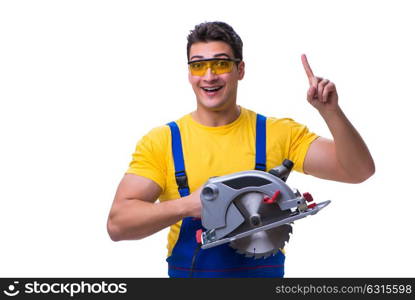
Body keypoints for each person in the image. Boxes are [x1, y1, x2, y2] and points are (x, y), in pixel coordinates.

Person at [106, 21, 375, 278]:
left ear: (240, 69)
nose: (209, 76)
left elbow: (358, 171)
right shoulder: (162, 141)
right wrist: (187, 206)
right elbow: (118, 224)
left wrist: (331, 112)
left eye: (221, 63)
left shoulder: (278, 132)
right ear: (189, 74)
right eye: (199, 66)